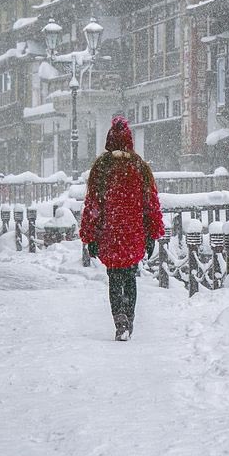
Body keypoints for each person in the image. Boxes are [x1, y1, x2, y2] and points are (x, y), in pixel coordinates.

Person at [79, 116, 165, 341]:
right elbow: (151, 203)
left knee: (114, 277)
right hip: (133, 233)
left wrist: (90, 236)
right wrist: (152, 234)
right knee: (130, 277)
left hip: (110, 233)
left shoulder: (101, 167)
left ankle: (120, 321)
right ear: (130, 141)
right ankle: (130, 316)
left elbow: (93, 205)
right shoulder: (140, 166)